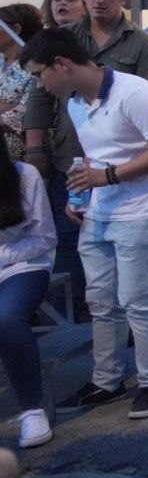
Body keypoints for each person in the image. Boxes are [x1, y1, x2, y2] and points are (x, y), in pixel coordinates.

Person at [22, 28, 148, 420]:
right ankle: (107, 379)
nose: (38, 83)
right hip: (102, 209)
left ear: (61, 64)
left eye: (37, 73)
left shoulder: (134, 92)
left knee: (138, 299)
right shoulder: (76, 102)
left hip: (147, 208)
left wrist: (108, 177)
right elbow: (97, 156)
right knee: (100, 300)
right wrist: (84, 192)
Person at [0, 133, 57, 448]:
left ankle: (31, 409)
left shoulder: (24, 175)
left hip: (25, 266)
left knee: (6, 318)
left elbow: (45, 238)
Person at [1, 4, 46, 157]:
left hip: (17, 157)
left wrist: (11, 108)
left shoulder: (35, 66)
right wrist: (7, 106)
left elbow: (28, 110)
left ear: (15, 29)